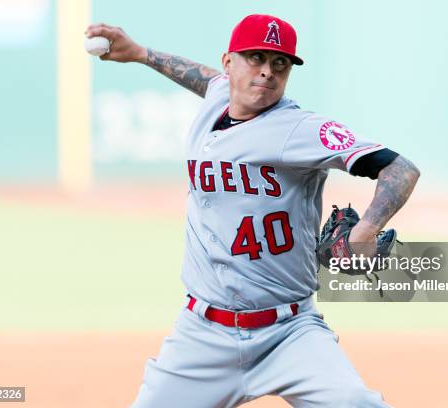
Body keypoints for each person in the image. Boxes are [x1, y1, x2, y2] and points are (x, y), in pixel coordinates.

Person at [86, 14, 419, 407]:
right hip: (201, 336)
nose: (267, 72)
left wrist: (366, 229)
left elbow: (401, 168)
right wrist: (141, 54)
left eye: (280, 63)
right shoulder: (216, 99)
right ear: (229, 63)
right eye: (255, 58)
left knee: (355, 403)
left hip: (290, 333)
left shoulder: (301, 129)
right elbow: (204, 79)